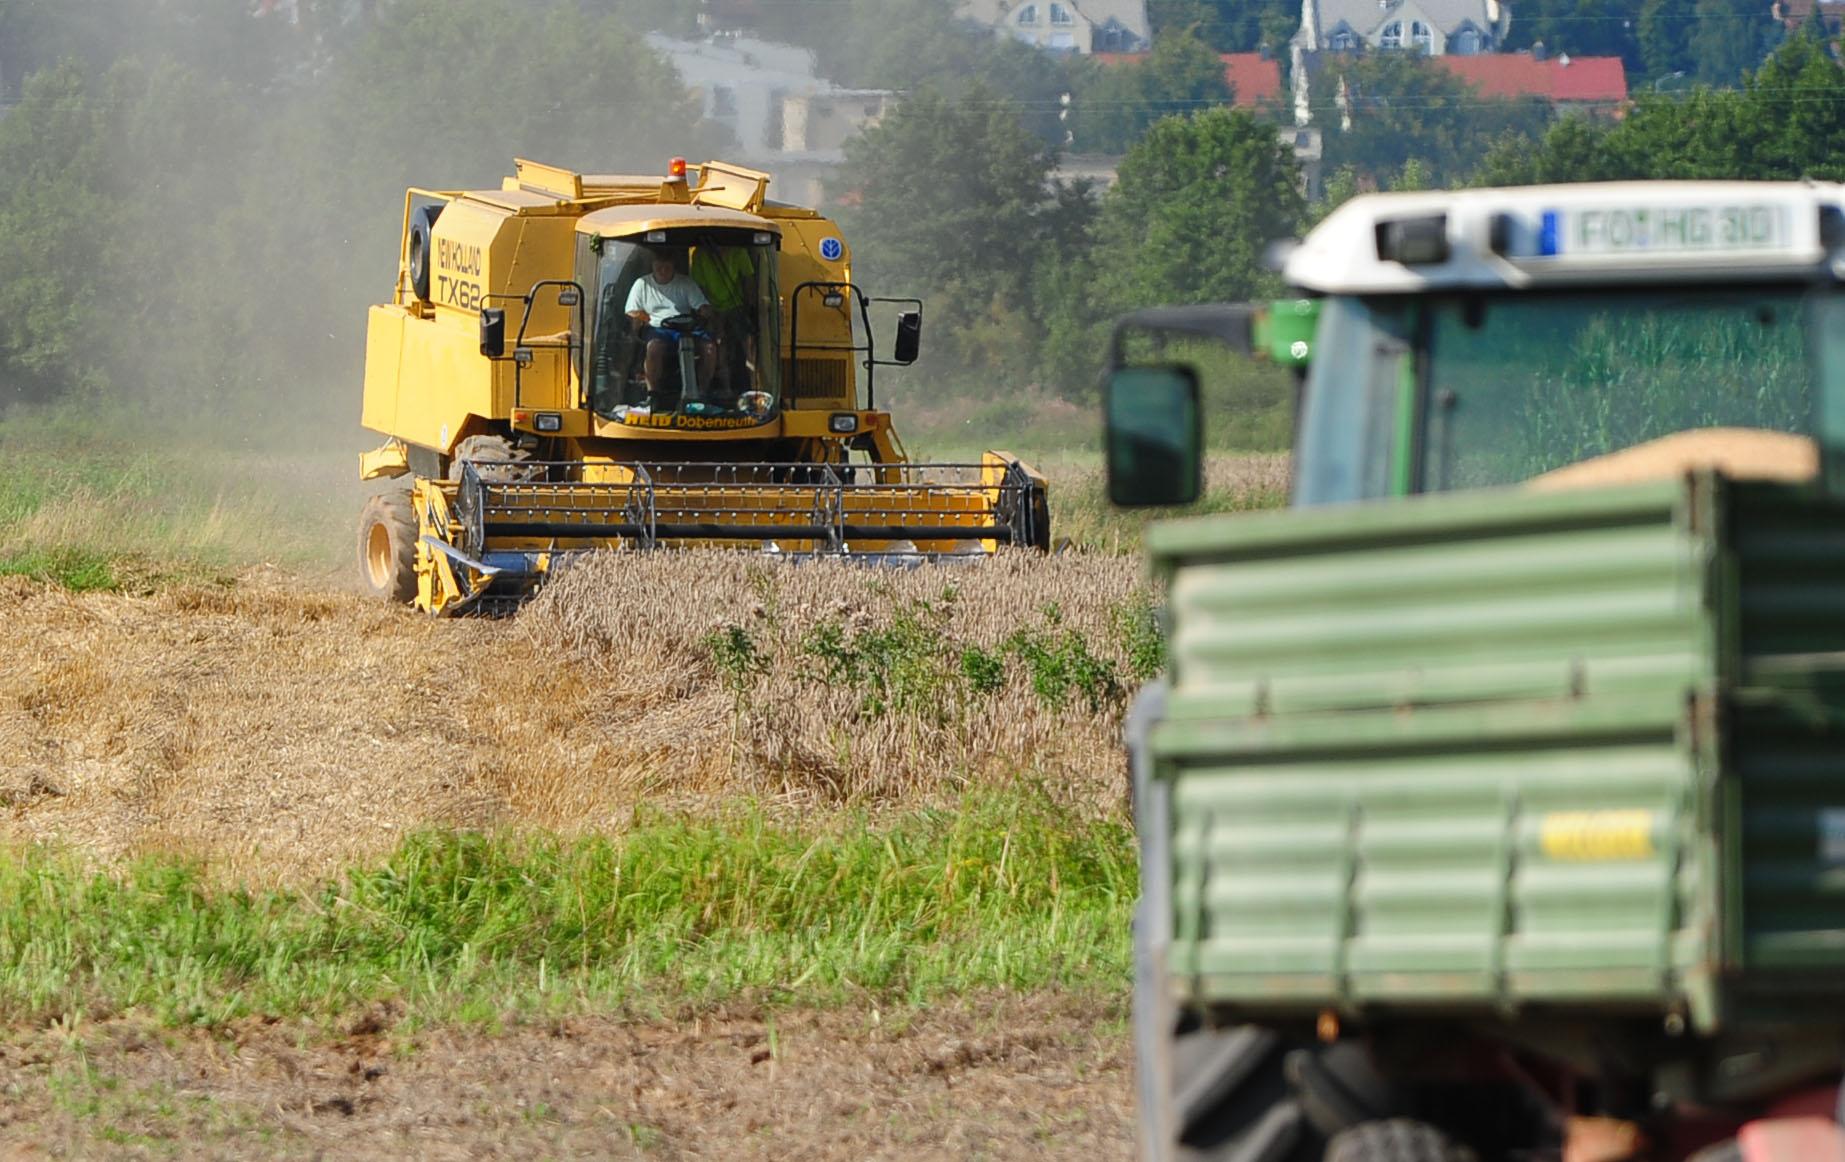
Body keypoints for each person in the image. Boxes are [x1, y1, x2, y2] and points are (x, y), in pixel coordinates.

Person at [624, 249, 715, 400]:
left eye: (667, 267)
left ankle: (702, 391)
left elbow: (702, 306)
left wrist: (705, 310)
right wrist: (644, 319)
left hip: (687, 327)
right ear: (652, 266)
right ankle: (653, 394)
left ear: (674, 266)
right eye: (659, 267)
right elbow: (631, 311)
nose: (663, 270)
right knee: (654, 347)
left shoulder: (686, 283)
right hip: (657, 328)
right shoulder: (642, 284)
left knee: (710, 348)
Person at [691, 244, 756, 396]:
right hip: (710, 307)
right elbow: (700, 288)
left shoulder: (740, 251)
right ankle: (717, 390)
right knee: (718, 345)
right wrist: (712, 316)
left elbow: (749, 281)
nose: (722, 248)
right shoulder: (699, 255)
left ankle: (755, 390)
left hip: (736, 306)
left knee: (749, 345)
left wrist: (750, 311)